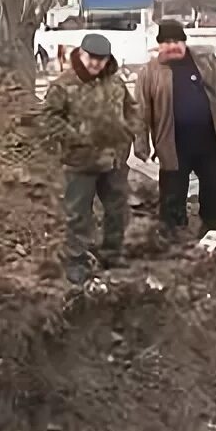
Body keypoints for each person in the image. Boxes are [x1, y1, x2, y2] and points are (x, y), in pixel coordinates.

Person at [43, 33, 141, 284]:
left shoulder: (115, 82)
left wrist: (129, 131)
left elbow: (132, 109)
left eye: (101, 59)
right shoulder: (63, 85)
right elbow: (49, 118)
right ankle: (77, 260)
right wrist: (75, 137)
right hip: (81, 161)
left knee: (117, 208)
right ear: (81, 54)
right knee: (78, 213)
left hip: (114, 159)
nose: (96, 64)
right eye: (92, 58)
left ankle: (112, 253)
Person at [134, 20, 216, 239]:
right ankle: (173, 233)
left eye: (177, 41)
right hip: (172, 144)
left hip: (209, 141)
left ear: (184, 42)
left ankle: (213, 228)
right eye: (167, 42)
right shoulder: (149, 72)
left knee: (214, 189)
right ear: (159, 45)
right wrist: (141, 142)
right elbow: (140, 111)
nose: (173, 46)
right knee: (172, 193)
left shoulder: (205, 62)